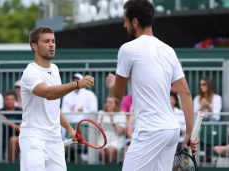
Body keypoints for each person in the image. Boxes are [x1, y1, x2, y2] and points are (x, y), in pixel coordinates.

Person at [105, 0, 199, 170]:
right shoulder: (168, 50)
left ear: (135, 21)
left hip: (151, 130)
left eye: (125, 20)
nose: (124, 24)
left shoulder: (127, 49)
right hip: (171, 131)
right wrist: (190, 132)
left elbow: (117, 93)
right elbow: (185, 92)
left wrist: (111, 81)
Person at [19, 26, 94, 171]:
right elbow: (48, 93)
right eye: (46, 41)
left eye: (53, 41)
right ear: (34, 46)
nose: (52, 45)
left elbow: (54, 106)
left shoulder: (55, 69)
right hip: (33, 139)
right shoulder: (30, 73)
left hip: (55, 141)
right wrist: (77, 84)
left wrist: (71, 130)